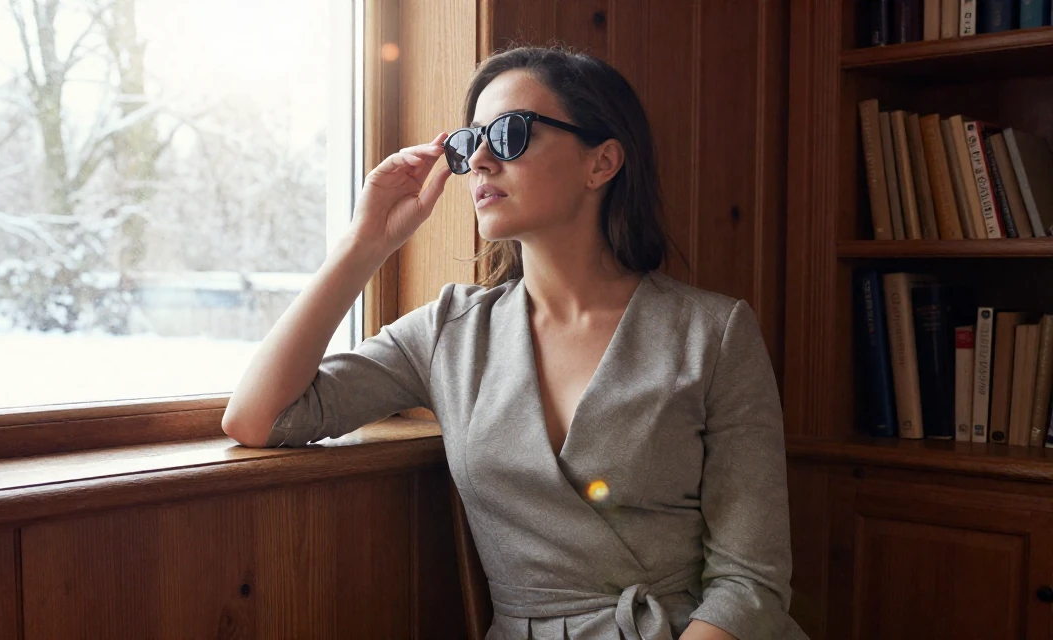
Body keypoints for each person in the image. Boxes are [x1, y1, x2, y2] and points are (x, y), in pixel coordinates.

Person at [221, 45, 808, 640]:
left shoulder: (714, 334)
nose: (477, 160)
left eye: (508, 134)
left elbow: (750, 581)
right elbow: (258, 416)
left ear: (601, 163)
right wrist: (367, 241)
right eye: (467, 141)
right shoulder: (450, 331)